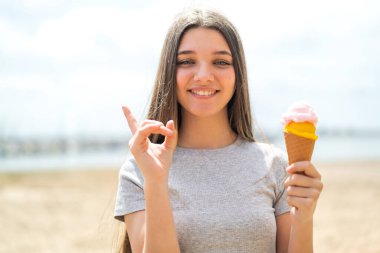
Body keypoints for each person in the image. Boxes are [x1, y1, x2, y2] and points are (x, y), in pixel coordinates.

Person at [114, 8, 323, 253]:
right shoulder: (139, 171)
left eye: (221, 62)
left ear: (238, 75)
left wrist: (305, 216)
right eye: (187, 61)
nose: (203, 75)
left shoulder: (275, 165)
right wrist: (156, 182)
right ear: (169, 72)